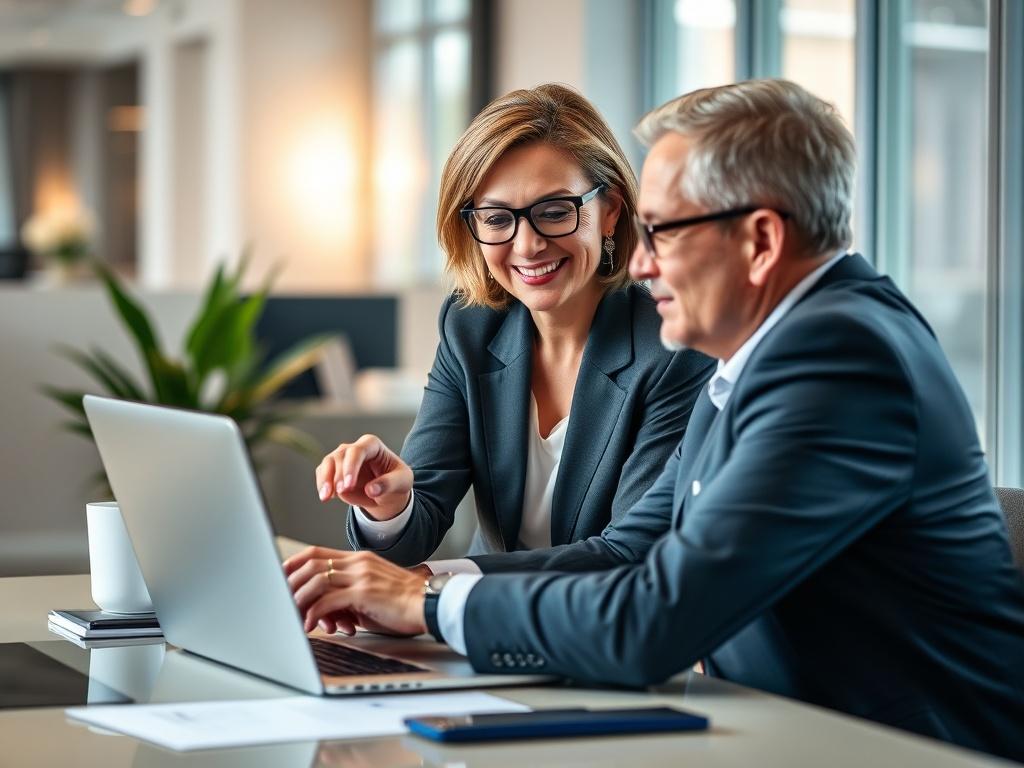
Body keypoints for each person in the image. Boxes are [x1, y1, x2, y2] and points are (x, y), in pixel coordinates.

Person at [285, 80, 1024, 760]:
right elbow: (630, 557)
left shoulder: (837, 359)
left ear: (761, 241)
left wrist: (427, 600)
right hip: (774, 732)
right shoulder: (757, 357)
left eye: (662, 232)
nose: (639, 264)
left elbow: (652, 616)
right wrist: (408, 590)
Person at [311, 84, 713, 570]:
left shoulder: (672, 347)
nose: (527, 246)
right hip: (471, 627)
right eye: (497, 218)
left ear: (610, 212)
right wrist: (387, 505)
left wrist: (438, 589)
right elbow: (415, 531)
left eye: (554, 212)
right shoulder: (471, 327)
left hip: (587, 632)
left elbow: (628, 558)